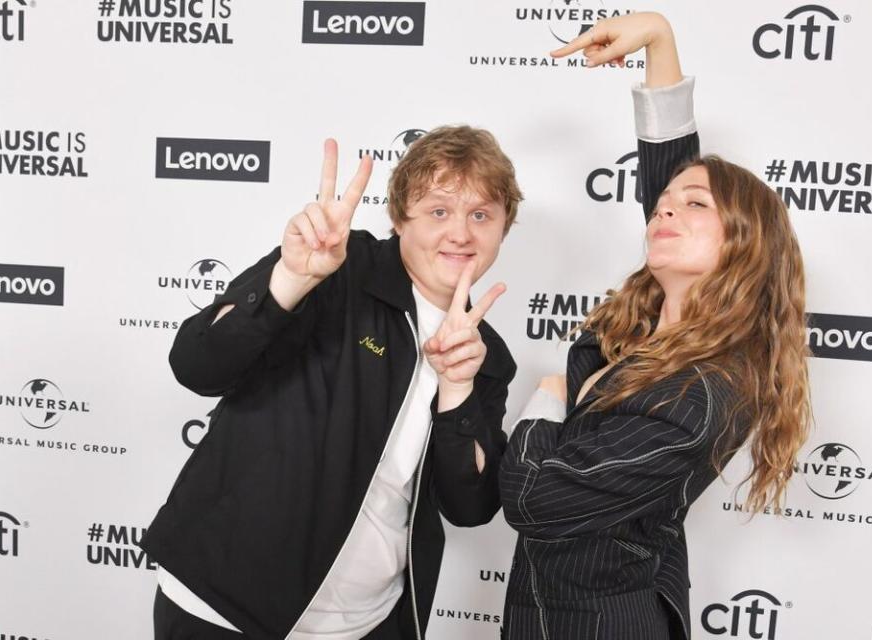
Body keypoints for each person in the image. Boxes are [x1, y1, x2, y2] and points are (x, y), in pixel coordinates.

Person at [499, 12, 811, 640]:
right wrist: (659, 39)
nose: (666, 209)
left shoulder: (702, 393)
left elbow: (533, 498)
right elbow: (672, 180)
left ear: (743, 246)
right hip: (543, 611)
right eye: (664, 205)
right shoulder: (656, 327)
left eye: (694, 206)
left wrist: (546, 399)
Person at [141, 127, 521, 639]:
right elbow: (196, 365)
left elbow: (469, 506)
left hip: (365, 621)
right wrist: (291, 280)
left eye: (481, 215)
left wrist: (457, 391)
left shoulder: (486, 355)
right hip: (223, 602)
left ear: (503, 228)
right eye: (438, 211)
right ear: (398, 219)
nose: (460, 233)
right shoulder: (339, 267)